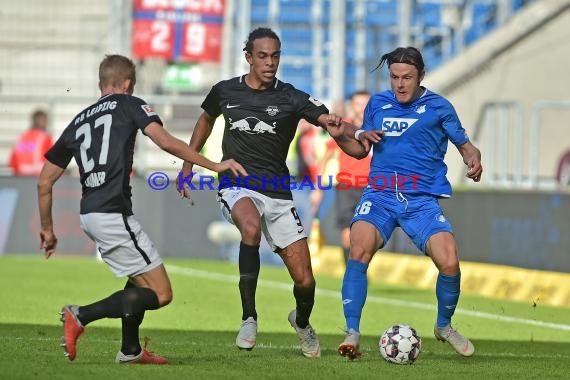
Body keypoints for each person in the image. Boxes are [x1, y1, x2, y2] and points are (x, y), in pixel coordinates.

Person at [38, 54, 246, 364]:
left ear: (101, 85)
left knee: (139, 279)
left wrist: (48, 230)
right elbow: (163, 141)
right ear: (127, 85)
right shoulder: (129, 103)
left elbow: (44, 183)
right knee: (162, 294)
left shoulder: (79, 119)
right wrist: (213, 163)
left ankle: (130, 350)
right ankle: (80, 315)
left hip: (90, 214)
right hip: (111, 213)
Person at [176, 27, 363, 358]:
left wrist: (355, 131)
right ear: (248, 57)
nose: (270, 62)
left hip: (278, 193)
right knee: (249, 227)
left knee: (305, 281)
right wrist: (189, 165)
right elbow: (205, 120)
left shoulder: (291, 97)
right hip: (237, 183)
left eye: (275, 56)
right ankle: (249, 317)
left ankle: (301, 322)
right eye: (262, 56)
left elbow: (327, 122)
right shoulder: (224, 91)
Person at [336, 47, 483, 360]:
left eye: (407, 77)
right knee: (358, 247)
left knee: (449, 262)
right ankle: (352, 332)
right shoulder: (377, 103)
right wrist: (340, 137)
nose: (400, 84)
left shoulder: (440, 107)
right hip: (380, 196)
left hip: (421, 202)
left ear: (421, 77)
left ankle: (443, 326)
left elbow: (468, 149)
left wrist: (474, 161)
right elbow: (361, 150)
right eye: (394, 77)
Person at [311, 91, 372, 263]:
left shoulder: (379, 128)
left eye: (366, 104)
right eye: (358, 104)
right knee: (347, 230)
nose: (362, 108)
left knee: (367, 231)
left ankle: (360, 265)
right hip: (346, 186)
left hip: (372, 187)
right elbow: (324, 158)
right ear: (352, 106)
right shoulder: (344, 128)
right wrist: (318, 189)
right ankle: (351, 270)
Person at [9, 109, 53, 176]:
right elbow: (53, 160)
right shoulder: (45, 138)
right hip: (38, 177)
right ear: (41, 121)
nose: (47, 123)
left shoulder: (21, 137)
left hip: (20, 176)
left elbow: (13, 161)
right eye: (46, 121)